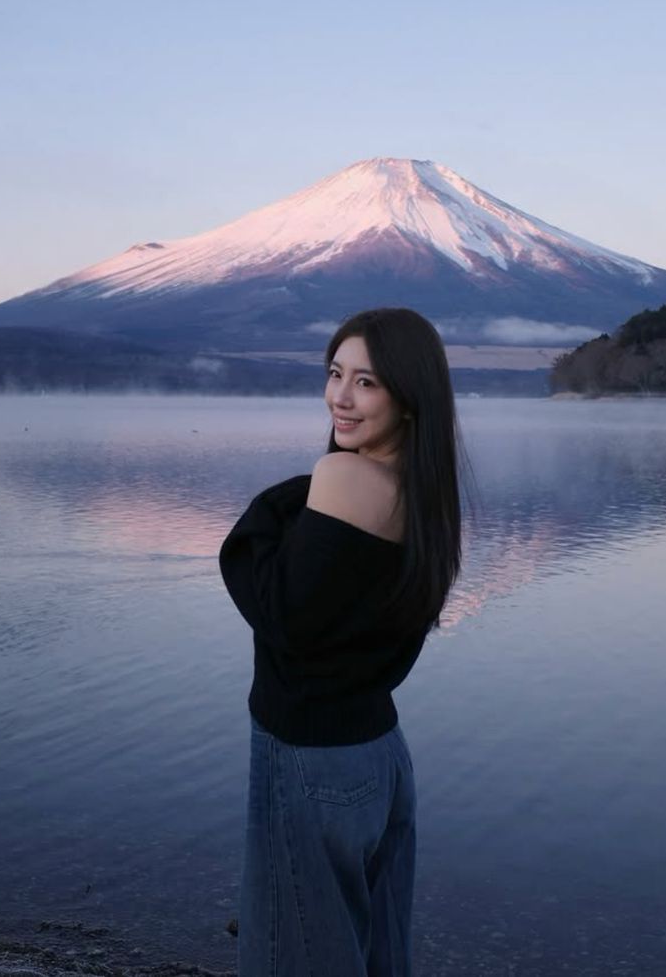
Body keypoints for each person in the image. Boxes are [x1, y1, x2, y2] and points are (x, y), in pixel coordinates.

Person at [219, 307, 465, 976]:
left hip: (310, 758)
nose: (341, 397)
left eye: (367, 382)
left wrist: (274, 507)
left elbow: (282, 615)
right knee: (375, 954)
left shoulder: (343, 478)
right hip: (379, 758)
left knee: (292, 957)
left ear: (408, 397)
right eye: (335, 374)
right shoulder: (428, 494)